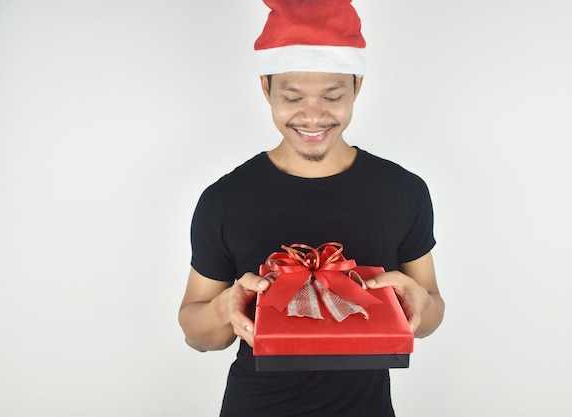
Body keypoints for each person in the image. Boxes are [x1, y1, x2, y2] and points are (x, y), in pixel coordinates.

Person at [178, 1, 445, 416]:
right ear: (266, 89)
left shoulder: (404, 191)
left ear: (357, 87)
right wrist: (224, 307)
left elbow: (430, 307)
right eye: (293, 96)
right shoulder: (224, 199)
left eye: (333, 95)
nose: (313, 116)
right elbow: (197, 333)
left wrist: (422, 308)